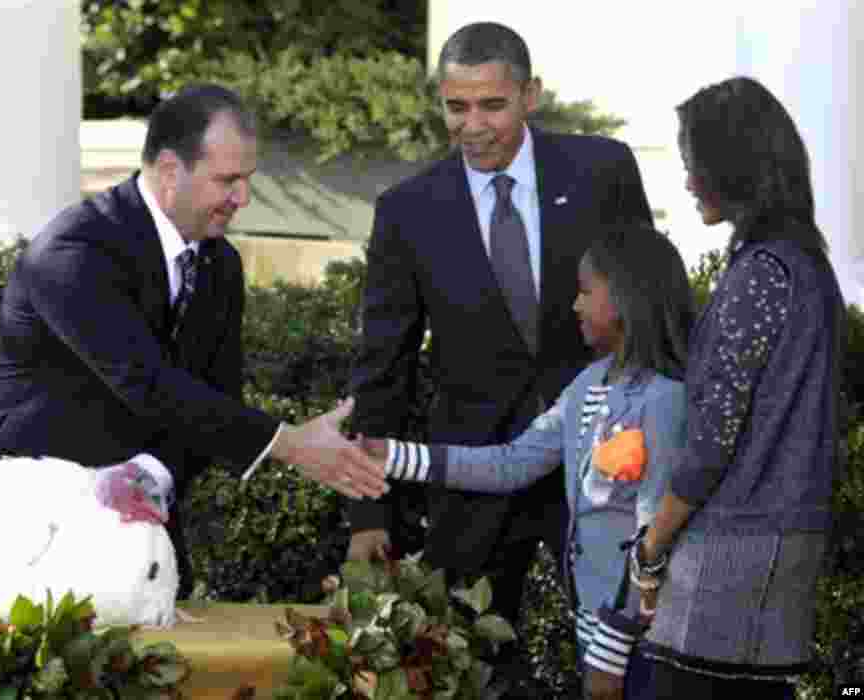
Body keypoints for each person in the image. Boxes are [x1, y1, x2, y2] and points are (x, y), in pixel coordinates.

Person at [0, 84, 387, 595]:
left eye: (248, 179)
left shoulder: (220, 264)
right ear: (169, 171)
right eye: (227, 180)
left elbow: (215, 401)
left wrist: (148, 478)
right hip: (27, 525)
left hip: (141, 539)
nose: (243, 198)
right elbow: (144, 381)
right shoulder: (74, 250)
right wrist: (289, 444)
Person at [346, 20, 653, 676]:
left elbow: (651, 315)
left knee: (624, 659)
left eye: (493, 104)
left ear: (530, 95)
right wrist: (367, 510)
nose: (473, 125)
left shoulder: (603, 171)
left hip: (604, 463)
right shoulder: (407, 209)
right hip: (473, 472)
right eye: (456, 107)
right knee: (462, 668)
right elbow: (383, 363)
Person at [355, 223, 693, 700]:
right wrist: (392, 456)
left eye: (584, 291)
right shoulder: (588, 384)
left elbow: (654, 532)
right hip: (593, 627)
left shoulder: (665, 400)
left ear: (623, 298)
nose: (574, 305)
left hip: (638, 639)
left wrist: (612, 649)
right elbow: (513, 463)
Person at [624, 77, 846, 700]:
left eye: (698, 166)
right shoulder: (806, 267)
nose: (690, 181)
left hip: (734, 550)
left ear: (736, 168)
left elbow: (714, 437)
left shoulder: (760, 273)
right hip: (784, 542)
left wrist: (653, 542)